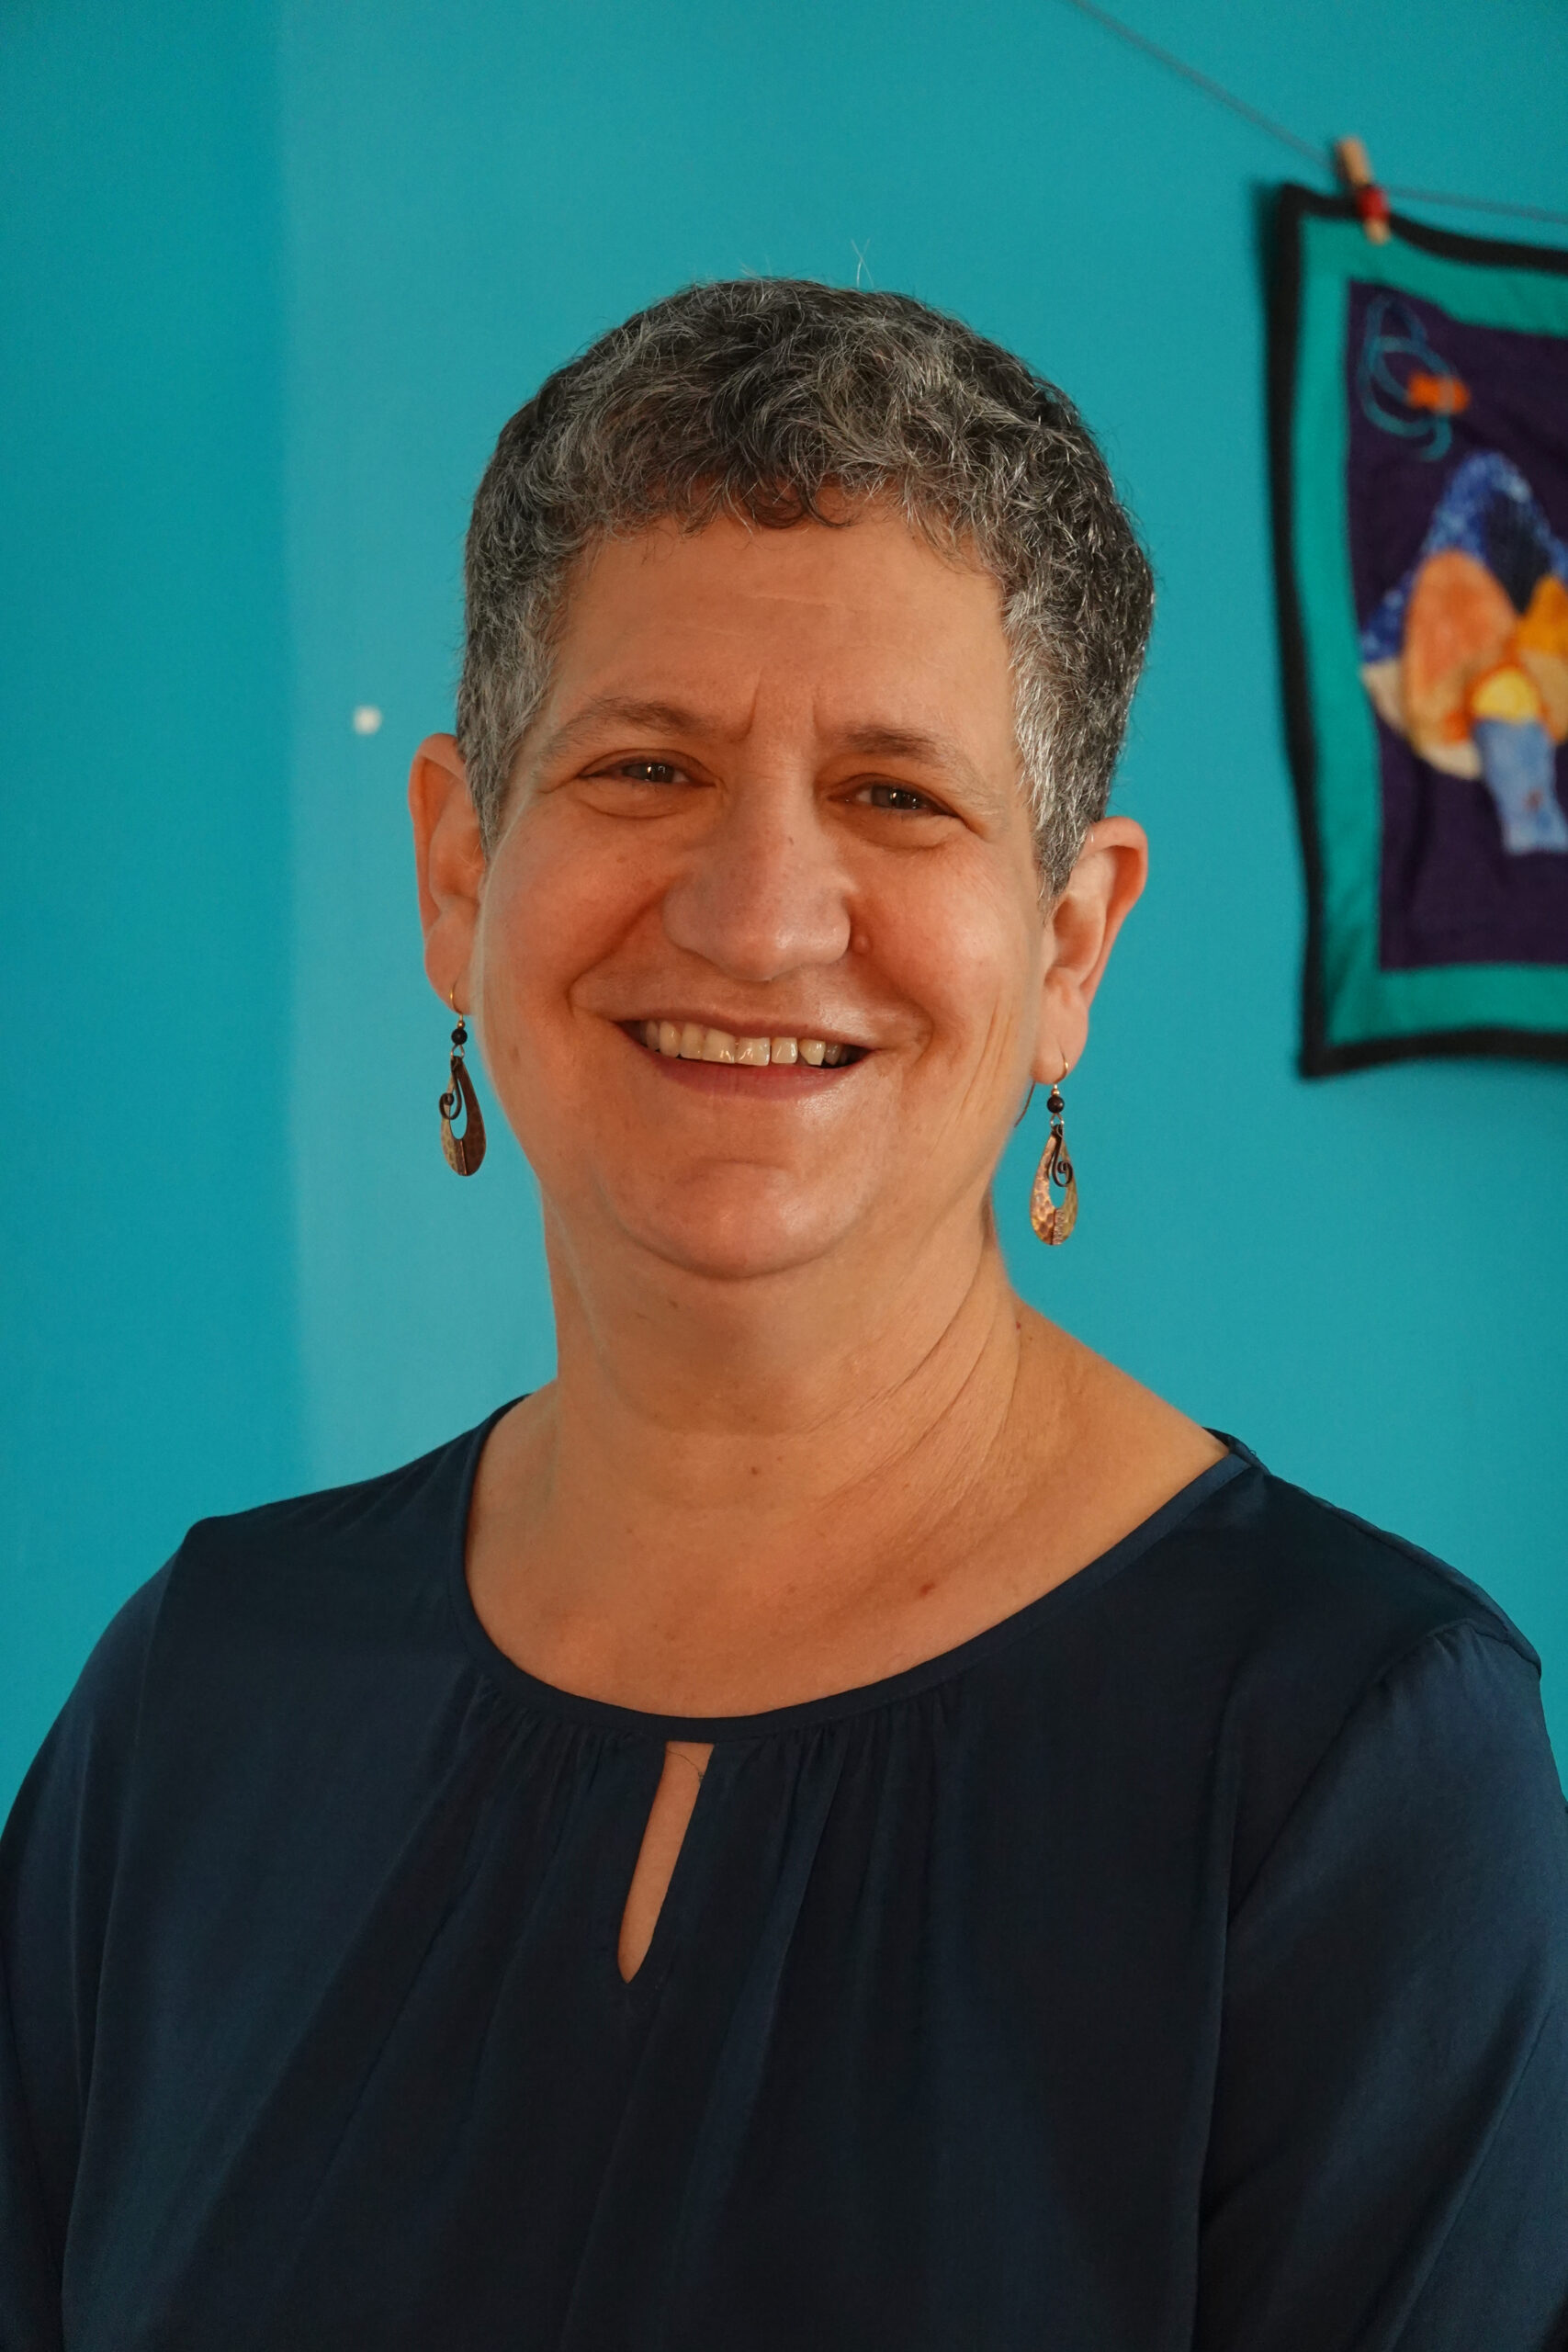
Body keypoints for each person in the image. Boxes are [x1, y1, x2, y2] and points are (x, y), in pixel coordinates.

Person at [3, 280, 1566, 2352]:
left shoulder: (1354, 1762)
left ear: (1070, 935)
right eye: (646, 764)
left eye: (897, 795)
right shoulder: (196, 1692)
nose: (753, 912)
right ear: (460, 865)